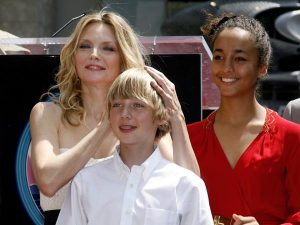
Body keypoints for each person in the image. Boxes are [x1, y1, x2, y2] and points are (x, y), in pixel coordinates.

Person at [29, 9, 199, 225]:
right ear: (74, 55)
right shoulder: (46, 113)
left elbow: (190, 190)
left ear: (123, 58)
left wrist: (177, 117)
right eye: (85, 46)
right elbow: (49, 181)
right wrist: (107, 126)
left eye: (108, 48)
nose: (94, 54)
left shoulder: (143, 121)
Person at [56, 68, 213, 225]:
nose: (125, 113)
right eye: (117, 105)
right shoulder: (85, 182)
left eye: (137, 105)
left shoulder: (186, 185)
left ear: (161, 116)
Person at [186, 14, 300, 225]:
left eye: (239, 59)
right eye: (219, 57)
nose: (227, 68)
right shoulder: (188, 137)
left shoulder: (292, 138)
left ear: (262, 68)